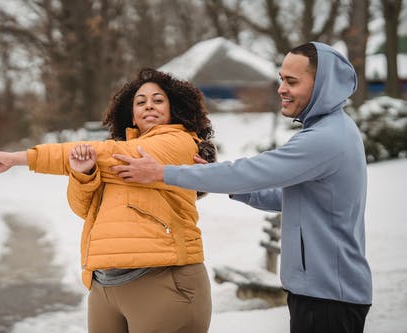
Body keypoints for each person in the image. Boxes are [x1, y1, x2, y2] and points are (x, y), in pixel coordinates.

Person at [111, 43, 372, 333]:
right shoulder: (330, 130)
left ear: (322, 84)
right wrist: (234, 188)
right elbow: (293, 197)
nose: (281, 88)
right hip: (323, 291)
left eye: (292, 81)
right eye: (281, 78)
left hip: (328, 296)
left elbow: (253, 171)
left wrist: (162, 173)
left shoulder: (325, 139)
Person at [0, 68, 216, 333]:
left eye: (158, 100)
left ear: (176, 108)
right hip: (106, 287)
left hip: (162, 280)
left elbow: (111, 154)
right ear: (132, 114)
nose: (149, 105)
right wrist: (83, 173)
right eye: (141, 101)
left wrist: (18, 158)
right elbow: (83, 208)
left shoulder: (180, 142)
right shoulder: (111, 154)